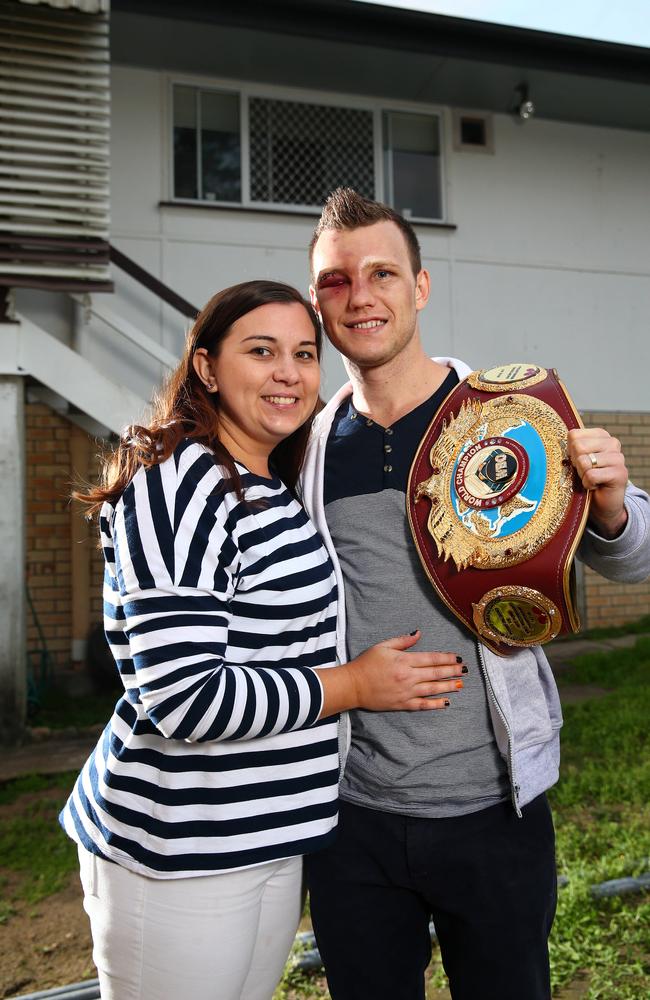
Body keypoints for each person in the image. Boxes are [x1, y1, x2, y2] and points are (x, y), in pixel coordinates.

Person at [59, 279, 467, 1000]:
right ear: (209, 368)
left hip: (268, 838)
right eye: (261, 351)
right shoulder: (180, 485)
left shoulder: (266, 484)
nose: (289, 372)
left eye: (305, 354)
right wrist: (355, 685)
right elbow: (184, 698)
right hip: (181, 847)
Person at [300, 189, 650, 1000]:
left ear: (419, 287)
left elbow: (633, 562)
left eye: (382, 273)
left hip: (495, 810)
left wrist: (609, 506)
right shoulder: (307, 449)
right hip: (352, 817)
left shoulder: (508, 416)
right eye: (336, 280)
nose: (360, 296)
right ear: (318, 298)